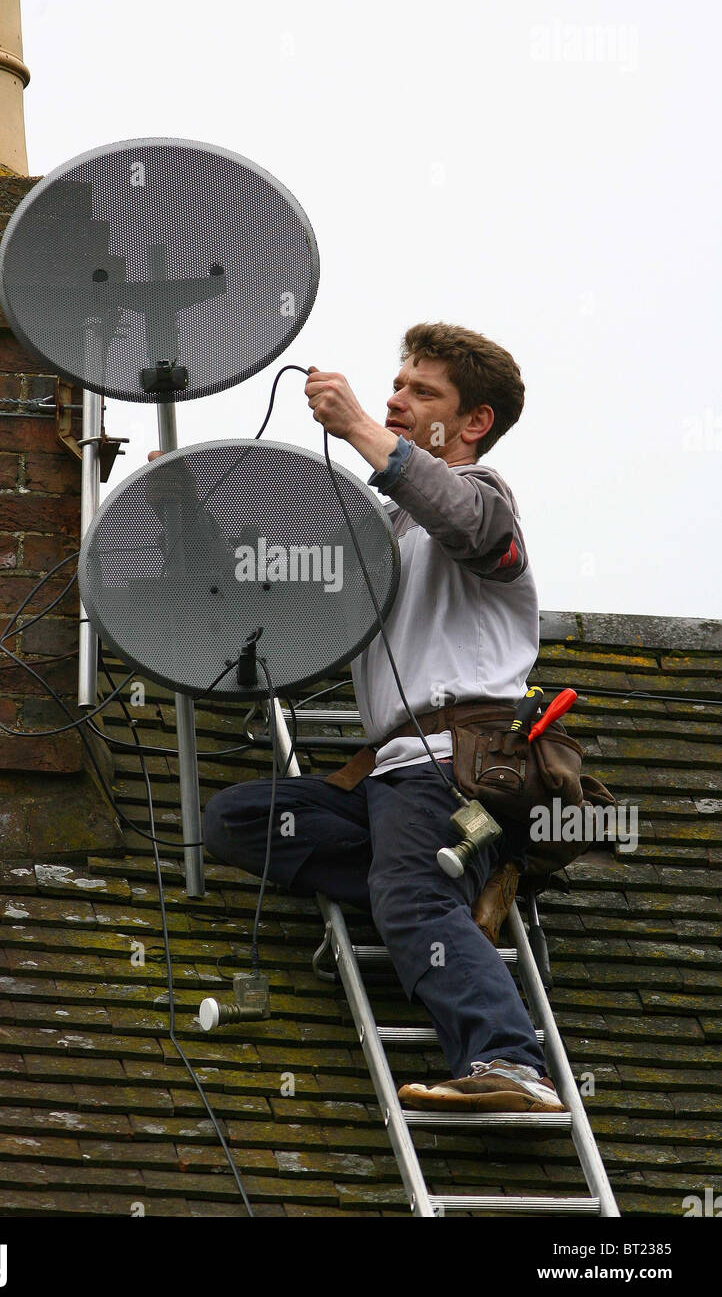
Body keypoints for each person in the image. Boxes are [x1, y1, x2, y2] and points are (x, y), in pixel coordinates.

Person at [202, 321, 565, 1114]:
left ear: (473, 423)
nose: (397, 400)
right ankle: (454, 894)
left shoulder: (486, 500)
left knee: (408, 896)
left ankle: (511, 1062)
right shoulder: (385, 537)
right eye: (395, 387)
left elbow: (468, 523)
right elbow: (279, 606)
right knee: (238, 818)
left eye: (421, 392)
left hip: (454, 764)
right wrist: (184, 520)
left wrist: (362, 427)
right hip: (393, 779)